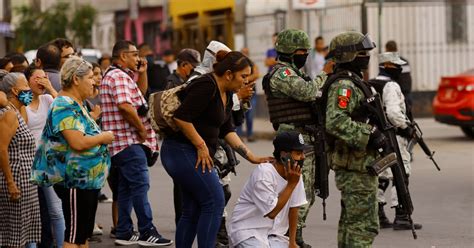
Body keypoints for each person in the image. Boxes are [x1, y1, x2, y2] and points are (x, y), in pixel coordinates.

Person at [160, 50, 272, 248]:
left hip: (193, 154)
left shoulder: (226, 93)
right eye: (243, 76)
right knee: (215, 201)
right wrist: (201, 145)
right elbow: (181, 117)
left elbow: (226, 129)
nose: (246, 81)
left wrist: (252, 157)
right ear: (229, 74)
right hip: (180, 151)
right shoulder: (206, 85)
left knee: (192, 210)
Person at [31, 57, 114, 248]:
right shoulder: (65, 105)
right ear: (76, 79)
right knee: (73, 236)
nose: (94, 81)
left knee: (82, 235)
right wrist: (103, 137)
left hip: (86, 182)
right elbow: (77, 142)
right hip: (74, 181)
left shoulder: (76, 103)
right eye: (91, 76)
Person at [262, 28, 333, 248]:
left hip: (303, 136)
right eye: (302, 51)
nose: (305, 55)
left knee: (306, 191)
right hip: (294, 138)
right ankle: (290, 236)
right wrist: (325, 73)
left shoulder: (293, 72)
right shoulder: (282, 74)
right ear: (290, 52)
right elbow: (309, 92)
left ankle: (294, 234)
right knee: (300, 189)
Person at [100, 40, 172, 246]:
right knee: (140, 186)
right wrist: (141, 130)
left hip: (121, 144)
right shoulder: (118, 76)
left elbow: (139, 96)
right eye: (135, 54)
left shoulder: (118, 75)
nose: (139, 58)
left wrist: (143, 72)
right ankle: (147, 231)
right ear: (123, 56)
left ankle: (123, 231)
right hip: (129, 141)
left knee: (126, 189)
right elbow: (125, 106)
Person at [324, 31, 380, 247]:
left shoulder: (353, 82)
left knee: (351, 226)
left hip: (359, 166)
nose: (366, 56)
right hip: (355, 167)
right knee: (362, 228)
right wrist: (371, 134)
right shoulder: (344, 86)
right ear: (349, 55)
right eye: (362, 52)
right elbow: (335, 121)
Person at [369, 52, 422, 231]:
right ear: (390, 66)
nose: (400, 69)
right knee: (401, 171)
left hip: (377, 137)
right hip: (395, 136)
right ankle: (402, 215)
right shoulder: (391, 85)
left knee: (382, 173)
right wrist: (406, 128)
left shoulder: (371, 83)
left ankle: (379, 213)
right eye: (397, 65)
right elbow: (393, 113)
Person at [229, 131, 307, 248]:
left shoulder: (294, 174)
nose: (303, 157)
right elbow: (272, 212)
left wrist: (292, 242)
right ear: (284, 155)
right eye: (298, 153)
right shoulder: (264, 174)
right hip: (248, 231)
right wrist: (291, 185)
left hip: (274, 235)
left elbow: (294, 208)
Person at [23, 64, 64, 248]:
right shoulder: (23, 101)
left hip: (47, 161)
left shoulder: (48, 98)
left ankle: (62, 244)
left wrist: (50, 87)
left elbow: (64, 109)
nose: (41, 81)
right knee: (31, 212)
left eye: (43, 77)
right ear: (27, 81)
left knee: (56, 209)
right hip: (26, 161)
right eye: (36, 78)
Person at [0, 71, 41, 248]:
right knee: (14, 237)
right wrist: (10, 183)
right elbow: (1, 148)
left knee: (22, 234)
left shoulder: (16, 111)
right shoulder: (9, 114)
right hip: (16, 178)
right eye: (26, 86)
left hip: (25, 179)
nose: (29, 90)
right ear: (15, 91)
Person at [236, 47, 259, 142]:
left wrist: (245, 79)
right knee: (239, 113)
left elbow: (256, 74)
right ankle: (239, 136)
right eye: (243, 52)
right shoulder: (238, 65)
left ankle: (250, 135)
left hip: (251, 92)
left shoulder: (251, 64)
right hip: (240, 92)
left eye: (246, 52)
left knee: (249, 115)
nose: (245, 54)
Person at [385, 40, 413, 114]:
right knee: (408, 117)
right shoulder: (404, 61)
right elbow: (407, 78)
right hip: (407, 92)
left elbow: (387, 79)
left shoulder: (388, 63)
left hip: (396, 94)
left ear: (387, 49)